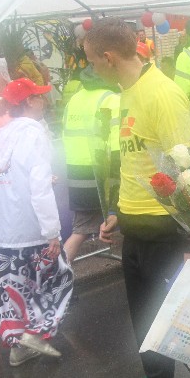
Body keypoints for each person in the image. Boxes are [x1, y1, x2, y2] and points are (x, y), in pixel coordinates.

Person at [83, 18, 190, 378]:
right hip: (136, 227)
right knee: (148, 322)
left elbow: (188, 168)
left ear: (109, 57)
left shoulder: (163, 94)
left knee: (173, 319)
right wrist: (118, 213)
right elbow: (135, 163)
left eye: (92, 61)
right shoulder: (125, 94)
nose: (91, 68)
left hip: (166, 230)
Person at [0, 77, 73, 365]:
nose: (44, 101)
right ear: (28, 102)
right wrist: (52, 232)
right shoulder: (34, 134)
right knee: (58, 278)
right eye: (39, 96)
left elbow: (8, 181)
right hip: (33, 228)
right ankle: (35, 333)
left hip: (8, 231)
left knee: (14, 286)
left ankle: (18, 345)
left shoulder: (0, 136)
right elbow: (38, 188)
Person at [59, 66, 119, 263]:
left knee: (80, 230)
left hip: (77, 172)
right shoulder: (111, 99)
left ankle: (57, 274)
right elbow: (117, 144)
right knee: (126, 219)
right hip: (102, 173)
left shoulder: (74, 100)